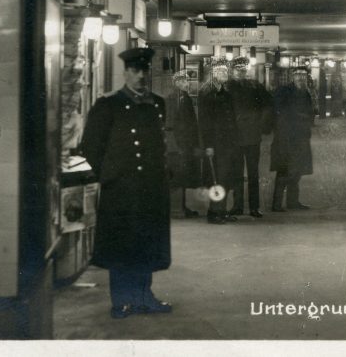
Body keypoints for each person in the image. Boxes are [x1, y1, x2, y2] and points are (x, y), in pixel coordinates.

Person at [80, 47, 172, 319]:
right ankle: (121, 300)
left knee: (146, 243)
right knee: (122, 244)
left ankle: (145, 296)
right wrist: (111, 175)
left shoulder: (157, 104)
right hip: (121, 188)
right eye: (135, 71)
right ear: (126, 72)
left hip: (151, 187)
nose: (141, 76)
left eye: (145, 70)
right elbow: (91, 147)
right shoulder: (108, 105)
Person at [196, 58, 243, 224]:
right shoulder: (207, 93)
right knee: (217, 178)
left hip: (228, 143)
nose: (224, 74)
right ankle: (214, 212)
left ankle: (221, 211)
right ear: (212, 74)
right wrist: (208, 145)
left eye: (225, 71)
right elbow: (204, 121)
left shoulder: (225, 92)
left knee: (226, 177)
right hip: (216, 143)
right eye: (220, 71)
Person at [227, 56, 274, 218]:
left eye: (242, 69)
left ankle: (254, 207)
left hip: (252, 136)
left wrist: (261, 124)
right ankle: (238, 205)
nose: (240, 72)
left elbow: (268, 106)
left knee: (253, 173)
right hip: (234, 136)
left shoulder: (255, 87)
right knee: (237, 172)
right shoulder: (227, 88)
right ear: (232, 71)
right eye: (237, 69)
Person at [270, 66, 316, 211]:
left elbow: (310, 113)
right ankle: (276, 204)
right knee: (284, 170)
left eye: (303, 75)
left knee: (297, 171)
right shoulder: (284, 91)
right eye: (298, 75)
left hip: (301, 137)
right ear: (292, 77)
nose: (301, 78)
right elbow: (279, 111)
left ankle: (293, 201)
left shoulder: (306, 93)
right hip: (286, 137)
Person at [167, 70, 202, 218]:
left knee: (182, 175)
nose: (185, 84)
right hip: (180, 143)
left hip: (181, 142)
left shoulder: (179, 97)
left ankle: (181, 206)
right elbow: (179, 123)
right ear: (175, 83)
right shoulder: (178, 99)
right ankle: (178, 208)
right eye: (181, 81)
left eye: (186, 81)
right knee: (180, 175)